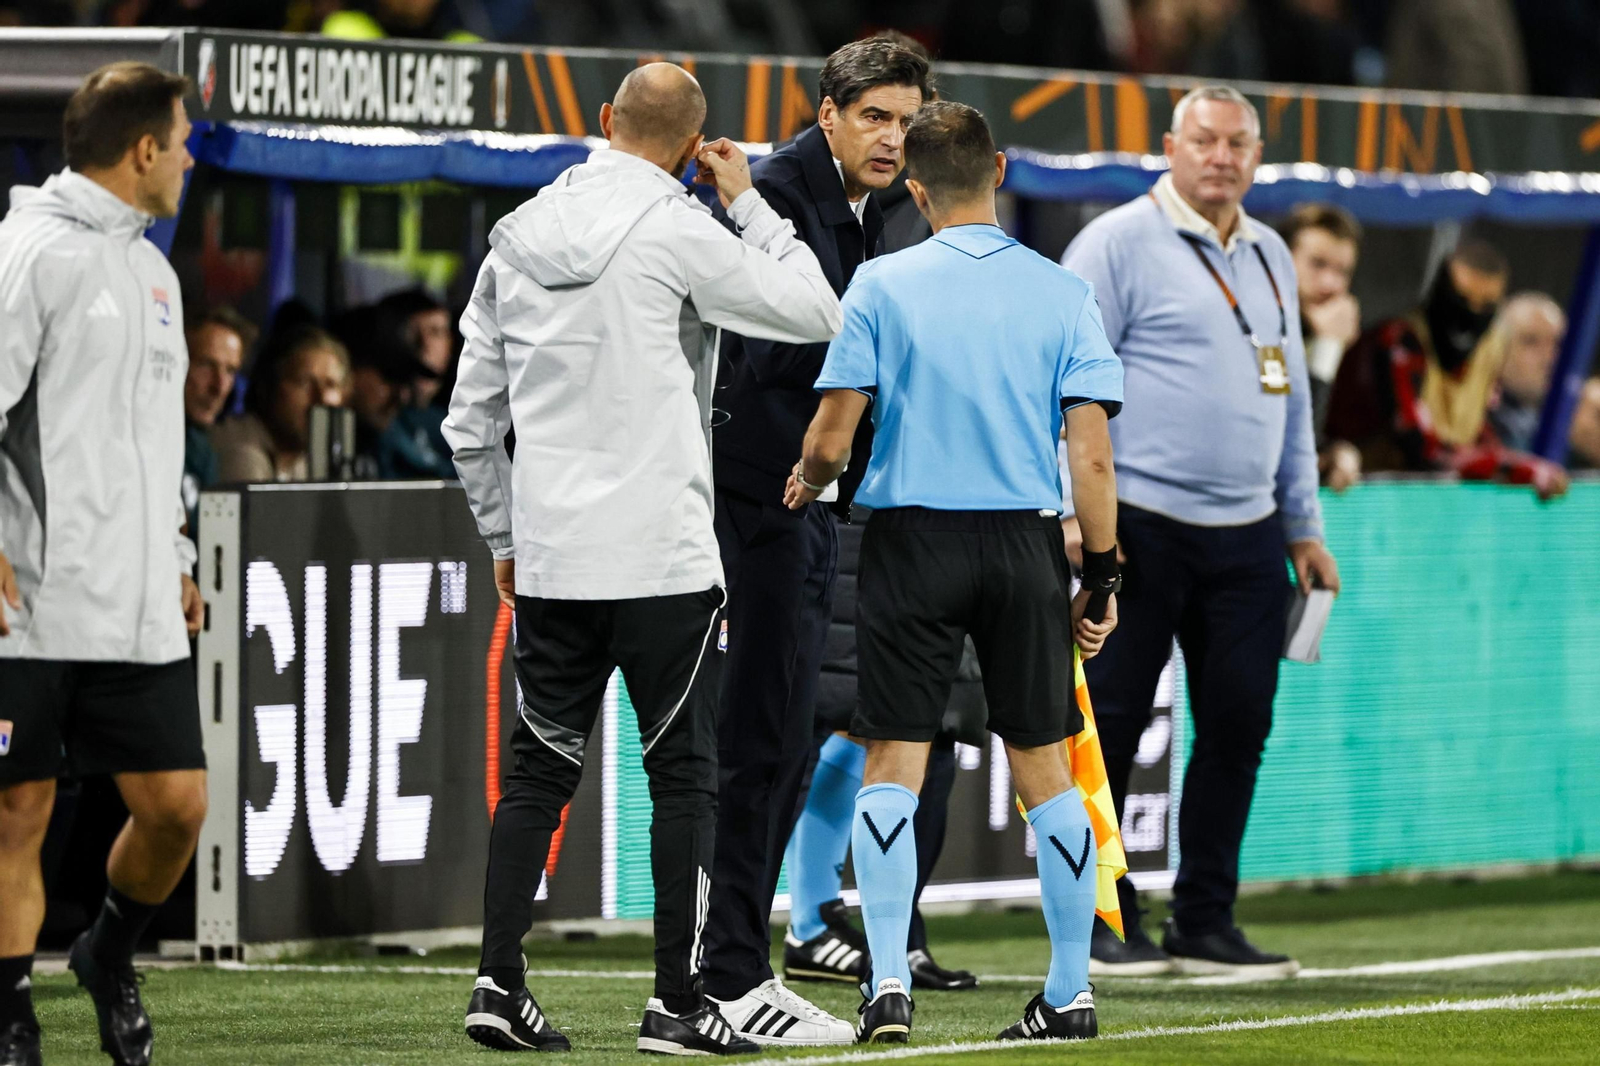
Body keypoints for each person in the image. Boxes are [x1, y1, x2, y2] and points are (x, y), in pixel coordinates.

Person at [442, 62, 841, 1056]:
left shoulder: (516, 236)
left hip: (553, 559)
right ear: (692, 147)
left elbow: (468, 423)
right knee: (684, 779)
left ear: (603, 120)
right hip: (662, 557)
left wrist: (503, 536)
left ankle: (497, 982)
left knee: (536, 774)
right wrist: (749, 204)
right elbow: (818, 311)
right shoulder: (681, 229)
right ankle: (676, 1003)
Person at [786, 100, 1123, 1043]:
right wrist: (1102, 575)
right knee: (1046, 769)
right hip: (1023, 541)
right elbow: (1092, 459)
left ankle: (887, 983)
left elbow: (832, 437)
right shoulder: (1063, 292)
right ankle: (1069, 992)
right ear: (1001, 171)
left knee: (891, 758)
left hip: (910, 540)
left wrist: (809, 478)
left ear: (917, 189)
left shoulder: (881, 285)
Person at [1062, 85, 1340, 978]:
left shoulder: (1269, 253)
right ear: (1170, 146)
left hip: (1250, 531)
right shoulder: (1115, 243)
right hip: (1138, 525)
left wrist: (1303, 522)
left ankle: (1205, 919)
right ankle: (1101, 918)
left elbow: (1289, 394)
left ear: (1258, 156)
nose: (1222, 156)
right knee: (1109, 723)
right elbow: (1060, 383)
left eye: (1238, 143)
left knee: (1240, 720)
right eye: (1205, 140)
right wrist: (1073, 512)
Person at [700, 35, 930, 1046]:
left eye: (907, 121)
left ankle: (731, 961)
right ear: (828, 113)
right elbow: (773, 352)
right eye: (875, 116)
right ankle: (728, 974)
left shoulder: (870, 206)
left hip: (810, 501)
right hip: (763, 500)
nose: (893, 137)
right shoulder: (779, 199)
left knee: (786, 739)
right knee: (760, 739)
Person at [0, 62, 209, 1066]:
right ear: (143, 150)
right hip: (34, 603)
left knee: (176, 808)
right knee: (19, 811)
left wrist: (176, 553)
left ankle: (107, 952)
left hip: (138, 604)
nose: (189, 160)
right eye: (183, 142)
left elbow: (156, 441)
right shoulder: (28, 252)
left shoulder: (155, 274)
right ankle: (10, 1017)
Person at [1326, 240, 1570, 500]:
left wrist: (1516, 465)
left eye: (1486, 307)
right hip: (1364, 493)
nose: (1471, 316)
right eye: (1461, 300)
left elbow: (1475, 430)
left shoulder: (1489, 347)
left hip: (1435, 500)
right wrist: (1513, 468)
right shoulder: (1400, 341)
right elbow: (1420, 449)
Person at [1280, 203, 1363, 491]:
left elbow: (1303, 440)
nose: (1330, 283)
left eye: (1342, 271)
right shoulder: (1252, 326)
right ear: (1283, 259)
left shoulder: (1329, 330)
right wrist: (1313, 331)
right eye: (1317, 264)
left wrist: (1333, 453)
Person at [210, 323, 348, 483]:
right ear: (268, 386)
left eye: (331, 385)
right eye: (304, 382)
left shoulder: (305, 459)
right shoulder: (241, 453)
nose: (321, 398)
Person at [333, 303, 450, 480]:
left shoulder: (395, 434)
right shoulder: (313, 447)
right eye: (390, 377)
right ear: (348, 369)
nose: (402, 396)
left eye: (405, 380)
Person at [181, 306, 255, 531]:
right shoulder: (142, 442)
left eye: (230, 371)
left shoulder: (202, 450)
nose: (220, 386)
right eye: (206, 365)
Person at [375, 287, 457, 477]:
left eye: (436, 332)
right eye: (410, 332)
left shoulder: (454, 421)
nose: (425, 344)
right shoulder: (377, 421)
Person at [1487, 293, 1566, 453]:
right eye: (1531, 341)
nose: (1550, 358)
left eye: (1558, 343)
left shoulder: (1565, 427)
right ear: (1495, 349)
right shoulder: (1477, 427)